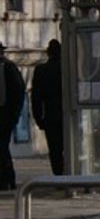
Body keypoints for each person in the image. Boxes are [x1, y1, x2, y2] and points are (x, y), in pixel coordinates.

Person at [31, 39, 64, 176]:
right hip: (67, 115)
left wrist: (38, 118)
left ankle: (58, 176)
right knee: (69, 146)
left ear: (48, 52)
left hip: (51, 116)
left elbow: (36, 97)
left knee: (54, 149)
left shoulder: (41, 70)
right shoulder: (68, 68)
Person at [0, 43, 26, 189]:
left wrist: (13, 114)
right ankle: (6, 178)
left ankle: (7, 178)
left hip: (5, 115)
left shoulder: (8, 68)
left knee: (2, 147)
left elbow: (18, 92)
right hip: (7, 114)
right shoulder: (9, 68)